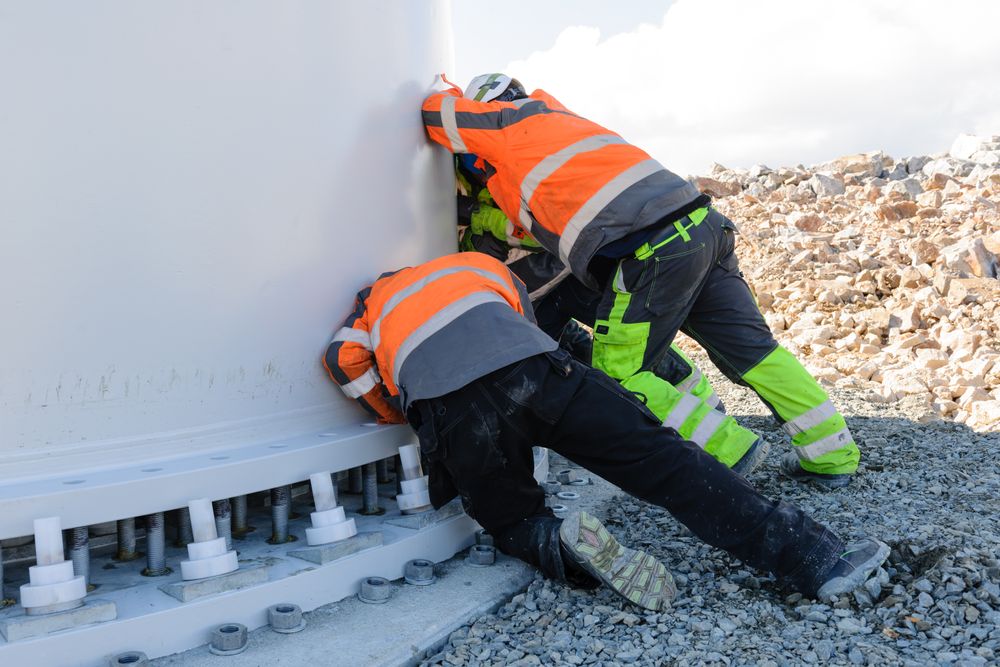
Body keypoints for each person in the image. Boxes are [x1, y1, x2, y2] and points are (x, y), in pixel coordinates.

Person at [322, 252, 888, 611]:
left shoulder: (367, 314)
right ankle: (817, 559)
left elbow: (343, 362)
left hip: (455, 411)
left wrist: (401, 413)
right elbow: (524, 316)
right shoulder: (471, 265)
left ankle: (558, 543)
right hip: (539, 371)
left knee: (512, 516)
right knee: (667, 462)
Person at [422, 73, 860, 488]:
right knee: (755, 353)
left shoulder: (508, 126)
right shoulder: (566, 125)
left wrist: (441, 93)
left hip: (653, 251)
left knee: (620, 372)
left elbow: (432, 112)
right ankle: (831, 456)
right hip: (705, 226)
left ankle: (731, 451)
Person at [455, 159, 769, 476]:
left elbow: (535, 228)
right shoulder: (469, 170)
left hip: (556, 278)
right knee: (609, 350)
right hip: (543, 287)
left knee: (622, 357)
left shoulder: (504, 168)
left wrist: (477, 219)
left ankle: (720, 438)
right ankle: (705, 415)